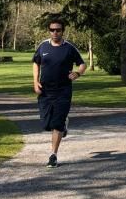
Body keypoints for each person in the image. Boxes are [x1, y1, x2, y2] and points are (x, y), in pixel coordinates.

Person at [32, 19, 86, 168]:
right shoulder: (43, 46)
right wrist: (35, 81)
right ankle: (63, 124)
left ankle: (53, 156)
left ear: (63, 31)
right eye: (52, 30)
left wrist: (78, 73)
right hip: (45, 90)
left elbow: (82, 64)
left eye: (58, 30)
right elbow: (36, 63)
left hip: (63, 90)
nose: (55, 32)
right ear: (49, 31)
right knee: (46, 123)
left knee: (57, 123)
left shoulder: (69, 48)